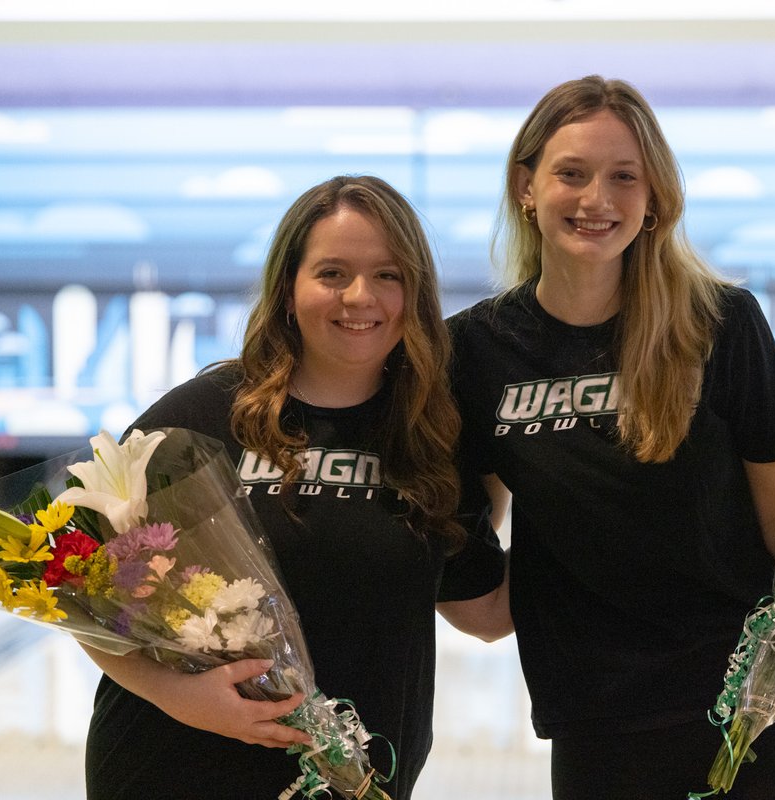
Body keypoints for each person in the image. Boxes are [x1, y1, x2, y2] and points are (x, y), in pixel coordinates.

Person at [448, 76, 775, 800]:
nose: (596, 199)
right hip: (598, 720)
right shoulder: (477, 351)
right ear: (525, 187)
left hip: (756, 709)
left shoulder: (720, 324)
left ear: (654, 198)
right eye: (572, 173)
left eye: (623, 177)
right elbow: (475, 573)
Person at [83, 175, 508, 800]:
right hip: (175, 767)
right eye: (332, 273)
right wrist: (179, 695)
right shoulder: (200, 419)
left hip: (352, 781)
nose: (360, 296)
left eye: (388, 275)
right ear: (288, 288)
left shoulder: (429, 438)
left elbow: (486, 612)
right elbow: (79, 587)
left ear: (415, 294)